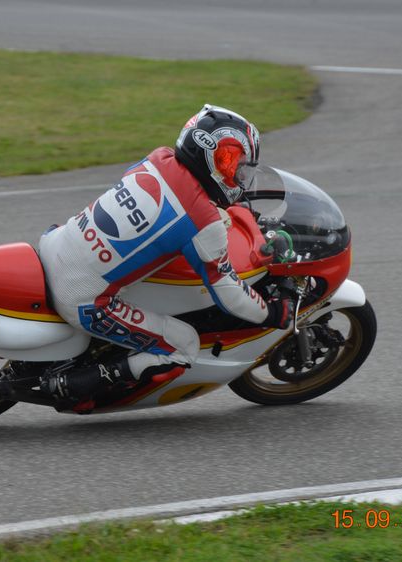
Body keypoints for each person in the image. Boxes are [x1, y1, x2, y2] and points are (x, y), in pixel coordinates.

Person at [38, 104, 293, 405]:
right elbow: (229, 294)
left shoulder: (157, 159)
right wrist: (273, 313)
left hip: (55, 242)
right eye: (231, 160)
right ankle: (80, 383)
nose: (237, 173)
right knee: (184, 345)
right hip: (82, 300)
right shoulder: (202, 222)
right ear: (208, 154)